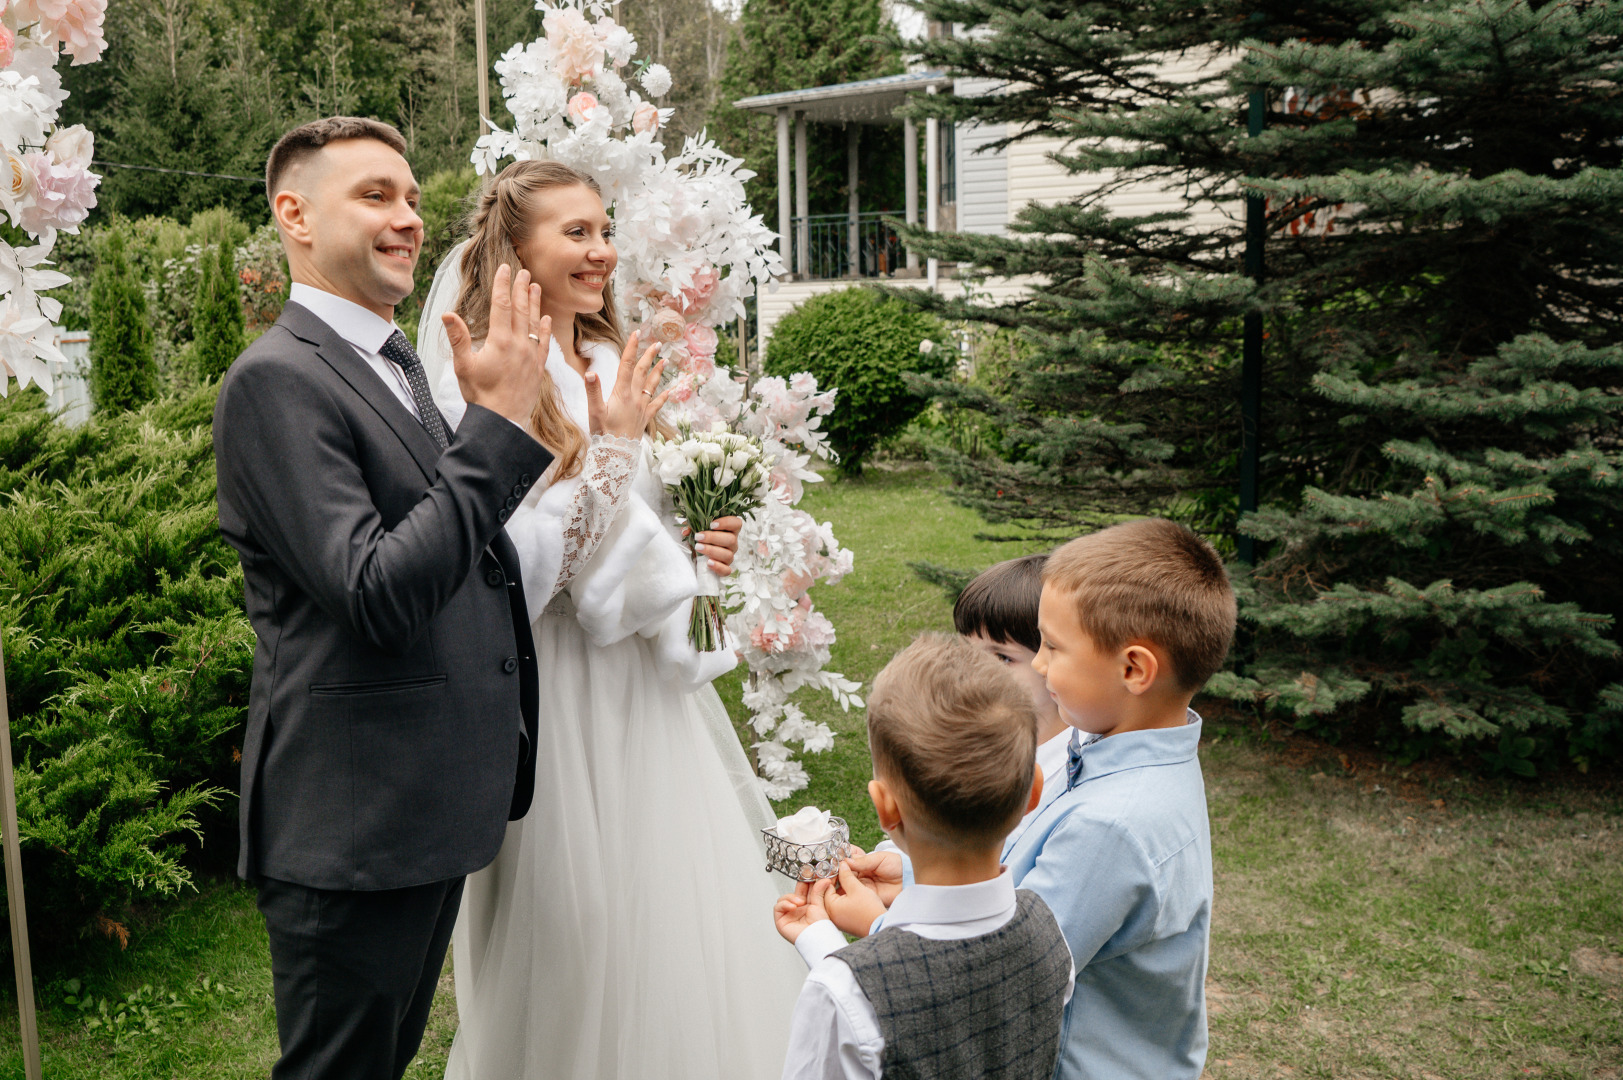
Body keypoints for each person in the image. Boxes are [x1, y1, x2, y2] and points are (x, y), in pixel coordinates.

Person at [213, 117, 586, 1079]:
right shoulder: (277, 382)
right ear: (293, 214)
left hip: (419, 806)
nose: (408, 218)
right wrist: (497, 425)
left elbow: (461, 551)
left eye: (413, 199)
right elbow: (377, 590)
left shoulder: (397, 363)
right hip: (352, 823)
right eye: (375, 195)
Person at [417, 159, 806, 1080]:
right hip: (554, 685)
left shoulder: (608, 359)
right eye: (575, 232)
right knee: (573, 922)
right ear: (515, 249)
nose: (600, 250)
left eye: (604, 228)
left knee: (670, 898)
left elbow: (646, 531)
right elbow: (529, 576)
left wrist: (701, 547)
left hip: (645, 688)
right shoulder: (480, 375)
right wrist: (617, 448)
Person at [845, 518, 1235, 1080]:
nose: (1040, 664)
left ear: (1134, 668)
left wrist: (877, 927)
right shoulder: (1126, 755)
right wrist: (910, 877)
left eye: (1052, 647)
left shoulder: (1112, 827)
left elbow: (1001, 980)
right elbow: (1027, 890)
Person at [773, 633, 1073, 1080]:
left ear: (886, 807)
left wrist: (829, 955)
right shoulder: (1049, 932)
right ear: (1032, 792)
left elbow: (878, 1000)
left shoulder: (840, 992)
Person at [953, 553, 1070, 840]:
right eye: (967, 650)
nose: (972, 668)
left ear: (1052, 658)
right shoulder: (970, 734)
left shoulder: (1068, 780)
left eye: (1003, 657)